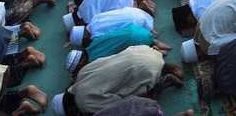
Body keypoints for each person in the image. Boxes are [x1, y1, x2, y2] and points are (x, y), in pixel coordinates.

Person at [51, 46, 183, 115]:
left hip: (147, 71)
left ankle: (163, 82)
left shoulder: (84, 104)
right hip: (143, 50)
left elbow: (123, 103)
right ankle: (162, 66)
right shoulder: (81, 74)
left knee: (136, 104)